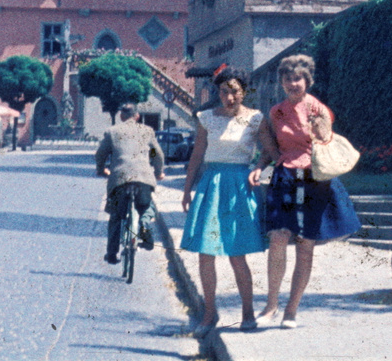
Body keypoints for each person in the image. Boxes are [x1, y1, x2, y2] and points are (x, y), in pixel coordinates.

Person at [250, 54, 359, 329]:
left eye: (297, 78)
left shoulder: (319, 109)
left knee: (305, 245)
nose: (292, 83)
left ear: (307, 80)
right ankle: (270, 306)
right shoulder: (276, 112)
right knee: (277, 238)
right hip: (285, 176)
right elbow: (272, 146)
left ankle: (291, 311)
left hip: (314, 178)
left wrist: (319, 128)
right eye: (287, 78)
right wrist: (259, 166)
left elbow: (326, 143)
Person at [180, 67, 267, 330]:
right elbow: (197, 155)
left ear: (244, 92)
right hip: (211, 185)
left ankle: (248, 313)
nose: (229, 97)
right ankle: (209, 314)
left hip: (239, 187)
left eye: (234, 92)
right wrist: (187, 190)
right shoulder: (206, 118)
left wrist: (259, 168)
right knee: (206, 253)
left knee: (236, 255)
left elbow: (269, 151)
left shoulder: (255, 119)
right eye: (224, 92)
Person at [94, 103, 165, 265]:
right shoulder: (147, 131)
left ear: (121, 116)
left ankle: (112, 253)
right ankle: (145, 225)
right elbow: (158, 154)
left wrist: (101, 170)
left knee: (116, 216)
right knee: (147, 206)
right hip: (143, 178)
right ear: (137, 116)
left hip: (119, 180)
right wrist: (158, 172)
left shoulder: (112, 132)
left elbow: (100, 154)